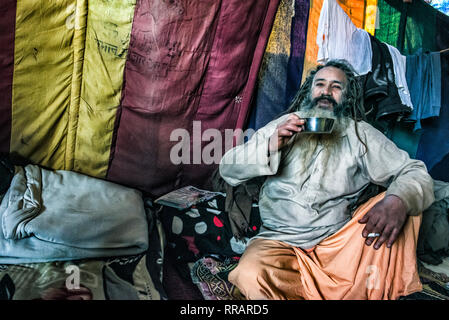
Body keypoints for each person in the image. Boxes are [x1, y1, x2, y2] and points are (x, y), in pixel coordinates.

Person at [219, 59, 435, 300]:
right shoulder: (285, 125)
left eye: (336, 87)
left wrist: (397, 200)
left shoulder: (359, 134)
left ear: (348, 97)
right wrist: (271, 146)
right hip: (279, 243)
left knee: (404, 202)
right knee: (250, 274)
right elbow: (228, 168)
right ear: (309, 91)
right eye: (320, 84)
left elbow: (414, 171)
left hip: (338, 248)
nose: (326, 92)